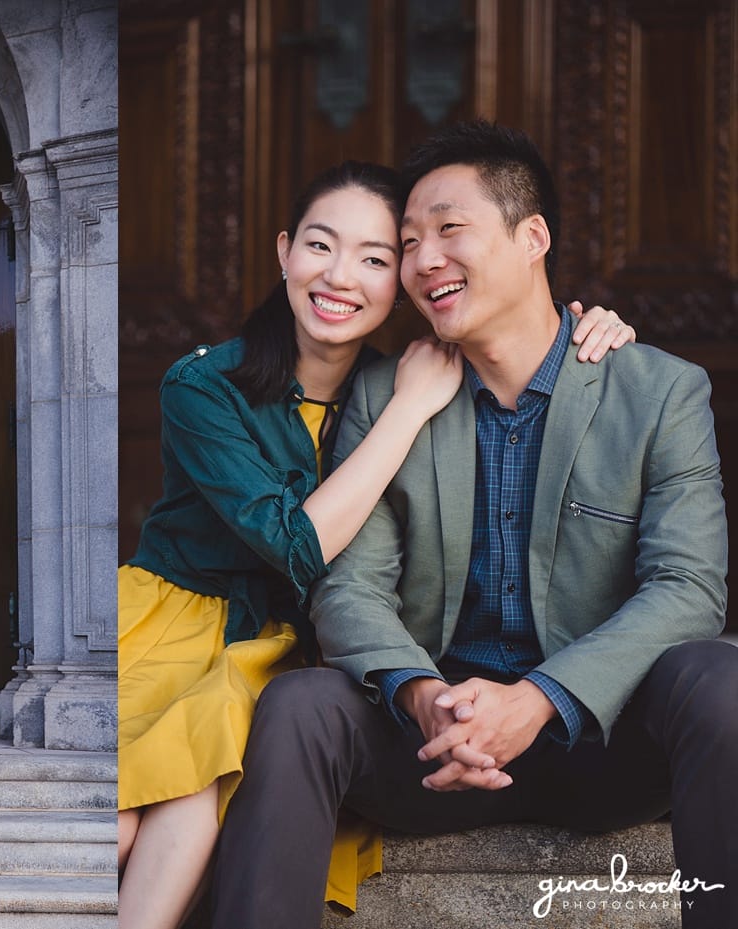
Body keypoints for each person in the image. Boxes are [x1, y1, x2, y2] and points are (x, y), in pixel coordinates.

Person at [211, 120, 738, 929]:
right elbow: (349, 585)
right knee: (300, 705)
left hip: (600, 739)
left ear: (533, 238)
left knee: (717, 675)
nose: (424, 260)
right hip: (433, 747)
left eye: (450, 230)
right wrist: (425, 698)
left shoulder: (657, 390)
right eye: (409, 240)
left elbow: (688, 589)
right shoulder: (390, 395)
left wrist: (536, 700)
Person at [118, 160, 636, 929]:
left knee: (219, 767)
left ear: (404, 280)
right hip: (181, 625)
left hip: (304, 653)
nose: (340, 277)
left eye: (374, 257)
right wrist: (407, 411)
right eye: (320, 246)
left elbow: (531, 351)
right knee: (127, 814)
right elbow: (293, 546)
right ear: (284, 252)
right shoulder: (206, 385)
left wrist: (596, 328)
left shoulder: (416, 375)